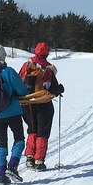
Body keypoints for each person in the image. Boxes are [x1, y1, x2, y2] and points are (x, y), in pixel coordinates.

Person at [0, 44, 30, 185]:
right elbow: (22, 90)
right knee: (19, 139)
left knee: (1, 143)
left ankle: (1, 176)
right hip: (13, 111)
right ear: (3, 56)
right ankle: (13, 166)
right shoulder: (8, 71)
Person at [19, 42, 63, 170]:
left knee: (32, 129)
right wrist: (60, 89)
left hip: (27, 103)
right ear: (47, 53)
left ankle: (29, 157)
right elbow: (53, 89)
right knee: (42, 131)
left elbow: (18, 80)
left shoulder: (26, 65)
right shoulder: (48, 68)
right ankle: (39, 160)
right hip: (43, 103)